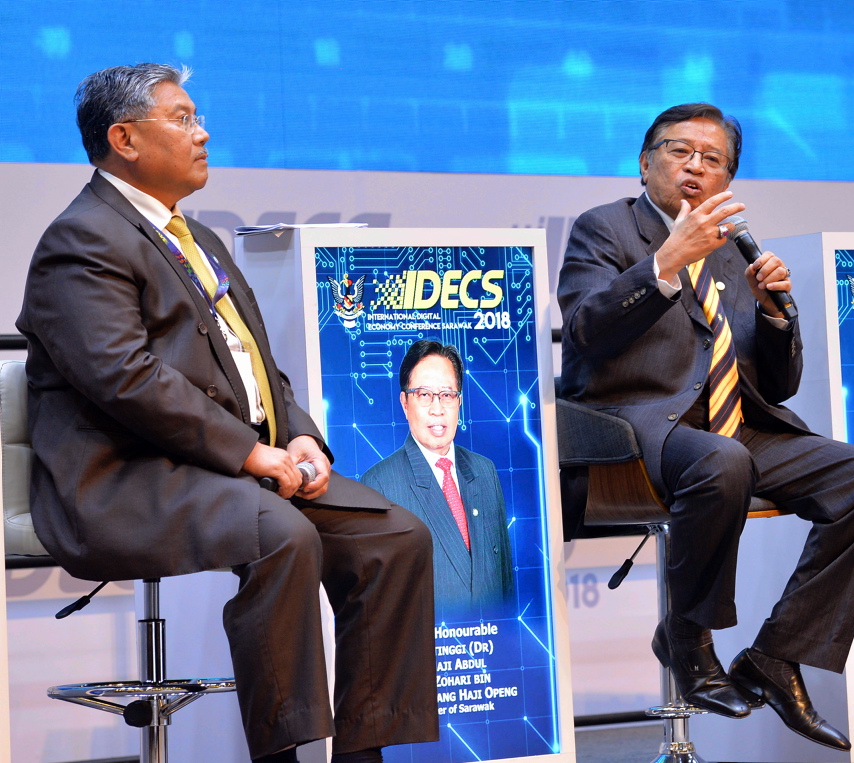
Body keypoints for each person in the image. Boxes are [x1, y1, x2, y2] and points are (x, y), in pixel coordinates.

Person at [18, 64, 438, 763]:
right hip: (124, 478)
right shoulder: (81, 240)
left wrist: (299, 437)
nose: (202, 132)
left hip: (225, 470)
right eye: (182, 118)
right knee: (281, 534)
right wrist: (250, 453)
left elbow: (259, 367)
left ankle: (363, 754)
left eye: (198, 116)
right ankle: (281, 754)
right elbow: (126, 378)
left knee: (395, 538)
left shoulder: (198, 239)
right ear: (124, 139)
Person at [557, 103, 854, 751]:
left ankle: (776, 655)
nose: (695, 166)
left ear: (728, 180)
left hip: (733, 426)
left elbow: (778, 385)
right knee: (722, 460)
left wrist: (775, 316)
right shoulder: (604, 228)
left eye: (711, 159)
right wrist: (664, 264)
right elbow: (584, 332)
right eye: (679, 151)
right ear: (645, 162)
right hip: (632, 429)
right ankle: (688, 636)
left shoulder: (732, 248)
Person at [361, 340, 514, 612]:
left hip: (492, 635)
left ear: (459, 401)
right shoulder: (379, 485)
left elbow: (504, 580)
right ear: (405, 403)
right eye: (424, 395)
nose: (437, 409)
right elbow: (376, 604)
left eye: (447, 395)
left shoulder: (485, 472)